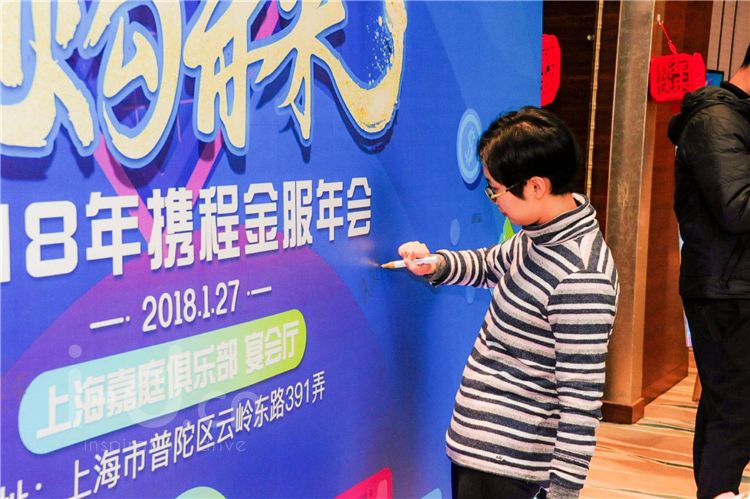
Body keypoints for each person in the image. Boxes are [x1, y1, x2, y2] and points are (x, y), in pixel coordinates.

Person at [396, 107, 619, 499]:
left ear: (536, 186)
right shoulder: (538, 235)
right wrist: (436, 264)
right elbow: (489, 264)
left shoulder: (581, 276)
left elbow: (581, 404)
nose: (494, 200)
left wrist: (563, 493)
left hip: (510, 465)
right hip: (482, 450)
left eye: (496, 190)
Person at [668, 44, 750, 499]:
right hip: (726, 290)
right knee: (737, 410)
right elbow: (737, 209)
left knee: (726, 405)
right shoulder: (715, 121)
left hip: (732, 283)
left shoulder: (734, 118)